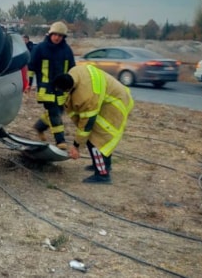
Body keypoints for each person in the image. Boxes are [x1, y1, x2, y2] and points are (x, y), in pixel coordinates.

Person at [53, 64, 133, 184]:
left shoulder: (86, 96)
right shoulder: (75, 71)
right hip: (109, 97)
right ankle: (102, 164)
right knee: (100, 138)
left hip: (115, 104)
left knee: (96, 139)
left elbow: (86, 125)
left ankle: (102, 174)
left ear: (68, 89)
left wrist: (76, 146)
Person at [28, 21, 75, 149]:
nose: (57, 38)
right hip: (46, 88)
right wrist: (29, 83)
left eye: (60, 36)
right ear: (50, 34)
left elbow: (72, 70)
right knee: (54, 113)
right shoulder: (40, 48)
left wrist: (72, 87)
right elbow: (31, 67)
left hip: (61, 90)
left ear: (64, 37)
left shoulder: (67, 51)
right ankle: (60, 141)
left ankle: (39, 127)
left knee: (59, 111)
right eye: (55, 35)